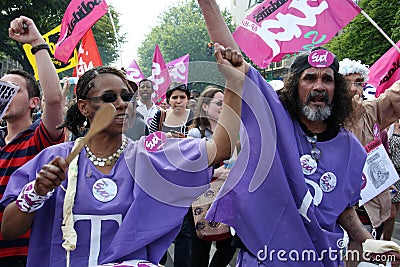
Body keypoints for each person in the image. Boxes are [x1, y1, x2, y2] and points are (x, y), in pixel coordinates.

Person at [0, 40, 245, 267]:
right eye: (109, 97)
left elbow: (219, 149)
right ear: (84, 106)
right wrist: (37, 191)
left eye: (126, 96)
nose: (121, 103)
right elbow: (9, 229)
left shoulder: (150, 155)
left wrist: (233, 83)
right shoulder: (53, 159)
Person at [195, 0, 397, 266]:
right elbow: (236, 63)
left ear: (337, 91)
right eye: (309, 78)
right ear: (293, 87)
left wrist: (365, 239)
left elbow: (342, 207)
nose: (319, 86)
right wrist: (208, 5)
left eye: (327, 79)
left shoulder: (351, 149)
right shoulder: (273, 121)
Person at [0, 16, 65, 266]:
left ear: (33, 103)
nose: (4, 96)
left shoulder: (40, 139)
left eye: (12, 90)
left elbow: (55, 99)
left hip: (24, 255)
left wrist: (37, 43)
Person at [339, 58, 400, 267]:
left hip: (371, 202)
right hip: (342, 205)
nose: (354, 88)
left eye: (359, 82)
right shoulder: (326, 115)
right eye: (348, 82)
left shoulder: (371, 110)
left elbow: (393, 99)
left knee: (364, 255)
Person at [187, 86, 237, 267]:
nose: (223, 107)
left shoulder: (231, 133)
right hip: (200, 196)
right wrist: (214, 173)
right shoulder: (195, 134)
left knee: (229, 242)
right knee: (200, 247)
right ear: (205, 107)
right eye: (218, 103)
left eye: (225, 103)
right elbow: (189, 168)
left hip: (226, 195)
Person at [148, 82, 194, 266]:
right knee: (161, 224)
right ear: (168, 100)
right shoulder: (159, 116)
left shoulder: (195, 118)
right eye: (174, 97)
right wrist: (167, 139)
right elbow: (148, 143)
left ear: (188, 99)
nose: (178, 101)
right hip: (161, 178)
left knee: (185, 229)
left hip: (187, 180)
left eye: (182, 97)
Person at [385, 121, 400, 241]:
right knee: (391, 213)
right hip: (390, 173)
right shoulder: (390, 126)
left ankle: (386, 243)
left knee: (393, 214)